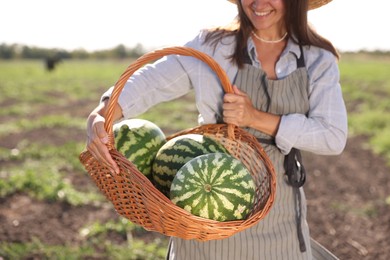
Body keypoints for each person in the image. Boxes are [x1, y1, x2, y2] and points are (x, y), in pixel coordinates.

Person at [85, 0, 348, 259]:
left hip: (279, 207)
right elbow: (151, 81)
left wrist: (255, 117)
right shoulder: (213, 46)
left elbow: (332, 136)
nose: (258, 3)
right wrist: (103, 112)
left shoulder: (317, 59)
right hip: (204, 206)